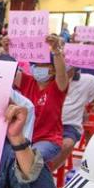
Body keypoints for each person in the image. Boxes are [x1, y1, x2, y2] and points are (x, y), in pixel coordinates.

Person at [15, 34, 68, 163]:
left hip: (48, 140)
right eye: (35, 64)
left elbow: (62, 72)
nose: (37, 67)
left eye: (42, 64)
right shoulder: (26, 81)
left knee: (28, 160)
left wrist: (55, 50)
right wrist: (8, 50)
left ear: (53, 69)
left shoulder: (57, 86)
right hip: (24, 138)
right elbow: (5, 72)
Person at [50, 65, 94, 171]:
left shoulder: (88, 80)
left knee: (67, 144)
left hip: (69, 126)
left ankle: (45, 174)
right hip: (45, 123)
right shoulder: (46, 78)